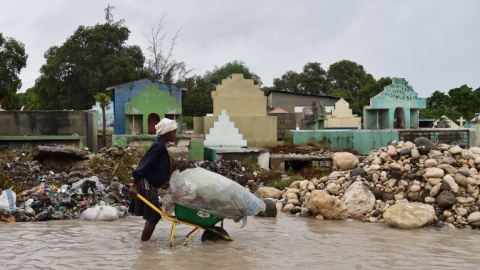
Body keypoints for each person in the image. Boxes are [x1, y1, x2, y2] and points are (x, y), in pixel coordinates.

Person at [129, 118, 178, 241]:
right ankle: (144, 248)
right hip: (146, 184)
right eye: (173, 132)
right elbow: (143, 164)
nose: (175, 135)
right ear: (166, 133)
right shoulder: (158, 146)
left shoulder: (161, 145)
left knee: (152, 217)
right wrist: (134, 185)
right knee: (154, 217)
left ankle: (144, 244)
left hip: (151, 184)